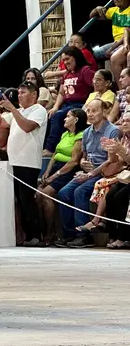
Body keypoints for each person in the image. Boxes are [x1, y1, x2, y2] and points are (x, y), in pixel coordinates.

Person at [55, 99, 120, 247]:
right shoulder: (86, 132)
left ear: (104, 112)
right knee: (63, 193)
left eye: (94, 111)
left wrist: (91, 173)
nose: (90, 114)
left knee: (80, 191)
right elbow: (83, 155)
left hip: (103, 172)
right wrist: (83, 163)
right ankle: (69, 234)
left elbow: (111, 160)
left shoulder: (112, 131)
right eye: (88, 111)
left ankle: (84, 235)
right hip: (87, 171)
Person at [0, 82, 48, 246]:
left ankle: (36, 235)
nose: (19, 95)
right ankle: (27, 235)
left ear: (33, 95)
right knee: (19, 200)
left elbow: (27, 127)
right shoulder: (20, 112)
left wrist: (12, 109)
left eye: (23, 93)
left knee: (27, 199)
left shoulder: (39, 110)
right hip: (14, 161)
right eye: (19, 93)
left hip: (29, 162)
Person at [71, 115, 130, 246]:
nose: (124, 123)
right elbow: (114, 161)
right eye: (123, 120)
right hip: (125, 175)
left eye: (128, 121)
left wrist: (121, 150)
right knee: (110, 196)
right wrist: (112, 151)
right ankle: (113, 235)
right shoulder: (124, 138)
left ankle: (122, 237)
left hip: (125, 174)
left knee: (121, 196)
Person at [37, 109, 87, 244]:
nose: (64, 119)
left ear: (76, 119)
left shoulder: (80, 136)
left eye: (68, 116)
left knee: (46, 194)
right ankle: (47, 230)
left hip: (67, 170)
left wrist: (53, 177)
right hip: (56, 167)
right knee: (38, 194)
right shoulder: (65, 134)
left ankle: (50, 233)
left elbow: (74, 161)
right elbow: (55, 154)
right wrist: (47, 172)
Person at [44, 47, 95, 155]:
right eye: (64, 60)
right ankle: (55, 147)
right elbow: (62, 93)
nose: (65, 62)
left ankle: (50, 149)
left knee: (58, 116)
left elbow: (96, 87)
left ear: (76, 57)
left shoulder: (85, 71)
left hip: (80, 104)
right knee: (50, 115)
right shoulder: (66, 74)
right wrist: (55, 107)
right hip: (67, 104)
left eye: (68, 59)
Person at [90, 0, 130, 80]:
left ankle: (121, 88)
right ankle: (103, 82)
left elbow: (127, 31)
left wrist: (112, 48)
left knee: (114, 57)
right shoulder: (113, 11)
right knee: (94, 54)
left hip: (125, 41)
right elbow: (92, 16)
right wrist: (97, 8)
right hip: (116, 43)